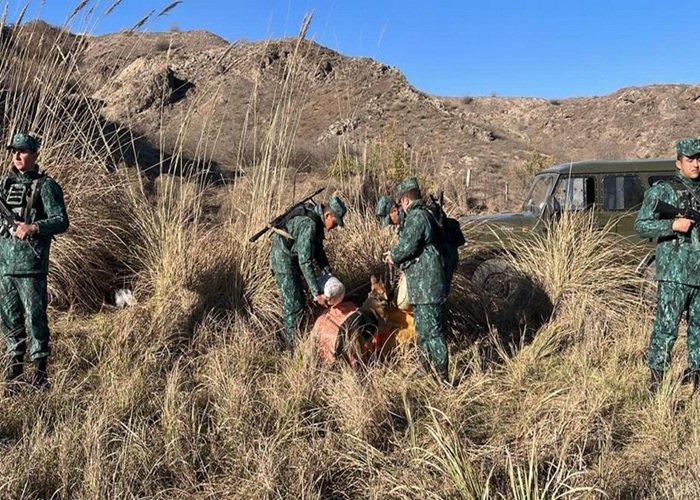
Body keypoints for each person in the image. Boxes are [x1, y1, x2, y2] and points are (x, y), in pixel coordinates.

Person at [1, 133, 69, 391]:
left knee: (35, 318)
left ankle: (40, 373)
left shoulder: (46, 186)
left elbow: (61, 220)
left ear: (34, 154)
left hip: (31, 266)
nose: (17, 156)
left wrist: (34, 227)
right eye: (13, 151)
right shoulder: (4, 186)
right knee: (9, 318)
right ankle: (14, 370)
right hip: (5, 267)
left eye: (23, 151)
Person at [635, 137, 700, 393]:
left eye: (699, 159)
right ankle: (657, 383)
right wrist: (672, 225)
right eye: (690, 159)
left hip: (699, 274)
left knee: (698, 330)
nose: (696, 164)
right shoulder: (663, 190)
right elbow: (641, 225)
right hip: (674, 274)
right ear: (678, 162)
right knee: (666, 328)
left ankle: (696, 379)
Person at [383, 177, 448, 381]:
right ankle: (426, 368)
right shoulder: (426, 214)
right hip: (423, 286)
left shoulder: (417, 217)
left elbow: (407, 246)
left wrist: (392, 255)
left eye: (401, 201)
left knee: (433, 331)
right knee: (422, 329)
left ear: (405, 200)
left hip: (427, 286)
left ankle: (442, 376)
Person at [269, 194, 347, 349]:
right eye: (335, 222)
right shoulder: (309, 224)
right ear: (327, 215)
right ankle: (291, 349)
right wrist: (316, 293)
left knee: (300, 302)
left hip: (292, 259)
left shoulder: (316, 222)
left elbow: (318, 250)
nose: (335, 226)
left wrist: (328, 272)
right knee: (294, 305)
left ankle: (297, 338)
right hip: (283, 262)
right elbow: (305, 261)